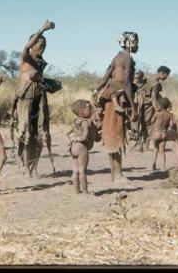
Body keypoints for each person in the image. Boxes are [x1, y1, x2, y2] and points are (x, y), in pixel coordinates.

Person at [15, 20, 57, 178]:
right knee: (26, 132)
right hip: (26, 97)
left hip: (40, 98)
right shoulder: (27, 57)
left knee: (40, 133)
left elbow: (39, 79)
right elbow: (25, 47)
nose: (42, 48)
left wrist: (48, 85)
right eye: (40, 45)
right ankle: (26, 168)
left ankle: (33, 167)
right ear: (33, 45)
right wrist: (42, 30)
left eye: (44, 46)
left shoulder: (40, 62)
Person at [97, 31, 139, 182]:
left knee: (111, 134)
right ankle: (118, 174)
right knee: (118, 134)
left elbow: (106, 76)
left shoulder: (116, 57)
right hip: (119, 98)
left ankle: (114, 174)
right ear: (129, 43)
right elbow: (127, 83)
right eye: (135, 43)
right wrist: (133, 107)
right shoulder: (127, 58)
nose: (137, 46)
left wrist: (97, 90)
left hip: (110, 97)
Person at [131, 66, 171, 151]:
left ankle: (142, 145)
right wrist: (157, 108)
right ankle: (142, 145)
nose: (166, 77)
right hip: (147, 104)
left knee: (144, 124)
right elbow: (153, 97)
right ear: (162, 73)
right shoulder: (155, 83)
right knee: (148, 125)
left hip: (140, 102)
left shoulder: (149, 77)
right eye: (166, 75)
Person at [68, 100, 102, 194]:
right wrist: (79, 139)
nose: (91, 110)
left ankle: (76, 190)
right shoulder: (86, 122)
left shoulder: (75, 121)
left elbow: (67, 133)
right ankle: (85, 191)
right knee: (82, 171)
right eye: (89, 108)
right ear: (82, 111)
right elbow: (85, 136)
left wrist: (72, 140)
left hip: (73, 147)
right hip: (82, 147)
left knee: (75, 171)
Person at [151, 97, 178, 171]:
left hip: (156, 133)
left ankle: (154, 164)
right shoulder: (170, 115)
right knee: (162, 151)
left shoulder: (157, 113)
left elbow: (151, 121)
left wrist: (156, 112)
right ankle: (163, 166)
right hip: (164, 134)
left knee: (155, 149)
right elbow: (171, 125)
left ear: (160, 105)